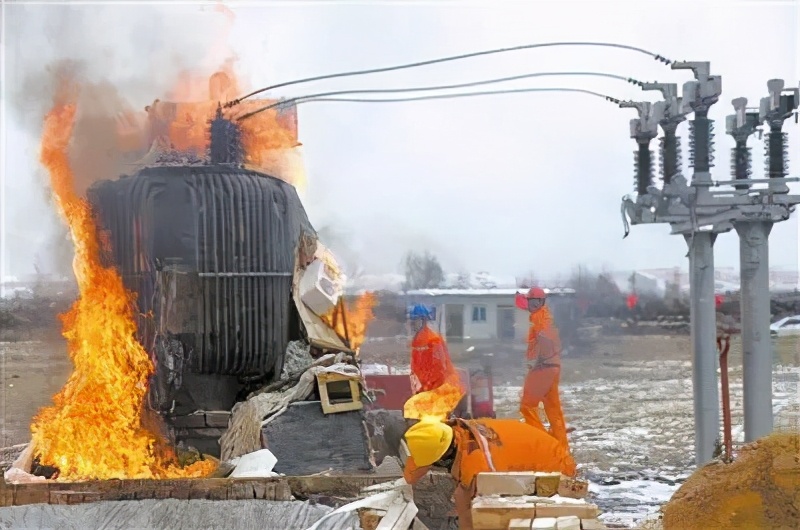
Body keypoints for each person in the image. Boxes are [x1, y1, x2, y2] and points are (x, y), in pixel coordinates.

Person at [403, 416, 577, 530]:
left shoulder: (478, 464)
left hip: (554, 466)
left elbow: (479, 511)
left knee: (511, 519)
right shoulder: (455, 431)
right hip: (541, 448)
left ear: (443, 458)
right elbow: (416, 468)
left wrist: (465, 511)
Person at [516, 287, 570, 452]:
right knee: (554, 410)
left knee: (527, 406)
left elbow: (545, 343)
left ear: (541, 302)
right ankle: (561, 449)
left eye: (535, 301)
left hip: (544, 368)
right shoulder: (544, 317)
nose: (531, 304)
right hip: (553, 367)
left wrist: (537, 363)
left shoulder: (541, 320)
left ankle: (542, 443)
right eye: (530, 301)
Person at [403, 304, 465, 421]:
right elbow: (416, 370)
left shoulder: (432, 340)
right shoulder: (417, 342)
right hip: (429, 390)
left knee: (411, 407)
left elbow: (439, 370)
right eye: (410, 321)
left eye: (414, 320)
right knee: (413, 407)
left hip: (442, 389)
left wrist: (427, 391)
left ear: (423, 321)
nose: (411, 324)